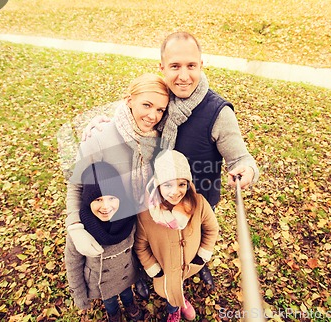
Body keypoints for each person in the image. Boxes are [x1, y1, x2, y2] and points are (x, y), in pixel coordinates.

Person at [83, 31, 260, 289]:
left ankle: (197, 266)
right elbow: (132, 110)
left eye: (191, 66)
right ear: (162, 67)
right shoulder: (160, 99)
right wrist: (102, 122)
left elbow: (242, 158)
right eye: (175, 66)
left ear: (201, 65)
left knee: (192, 240)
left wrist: (247, 170)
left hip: (194, 201)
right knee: (146, 240)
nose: (184, 76)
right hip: (150, 196)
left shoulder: (218, 113)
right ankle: (143, 273)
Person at [65, 73, 169, 300]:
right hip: (111, 217)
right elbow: (76, 185)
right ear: (129, 100)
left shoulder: (159, 137)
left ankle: (137, 276)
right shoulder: (99, 138)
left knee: (137, 252)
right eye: (147, 105)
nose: (153, 115)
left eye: (160, 110)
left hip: (144, 213)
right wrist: (74, 225)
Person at [134, 150, 219, 322]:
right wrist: (153, 267)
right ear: (158, 184)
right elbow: (140, 245)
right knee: (170, 289)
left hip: (189, 264)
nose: (175, 192)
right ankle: (175, 306)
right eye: (168, 185)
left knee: (180, 282)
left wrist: (202, 255)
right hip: (164, 268)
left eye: (181, 184)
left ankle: (180, 299)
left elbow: (212, 228)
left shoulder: (199, 203)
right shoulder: (146, 214)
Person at [64, 162, 143, 322]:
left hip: (126, 276)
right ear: (87, 200)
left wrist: (142, 273)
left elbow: (138, 247)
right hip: (101, 283)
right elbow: (73, 264)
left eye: (112, 198)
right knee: (109, 300)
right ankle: (113, 313)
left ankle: (129, 305)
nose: (106, 206)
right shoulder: (80, 229)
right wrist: (79, 294)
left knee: (127, 293)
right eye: (98, 199)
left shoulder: (129, 220)